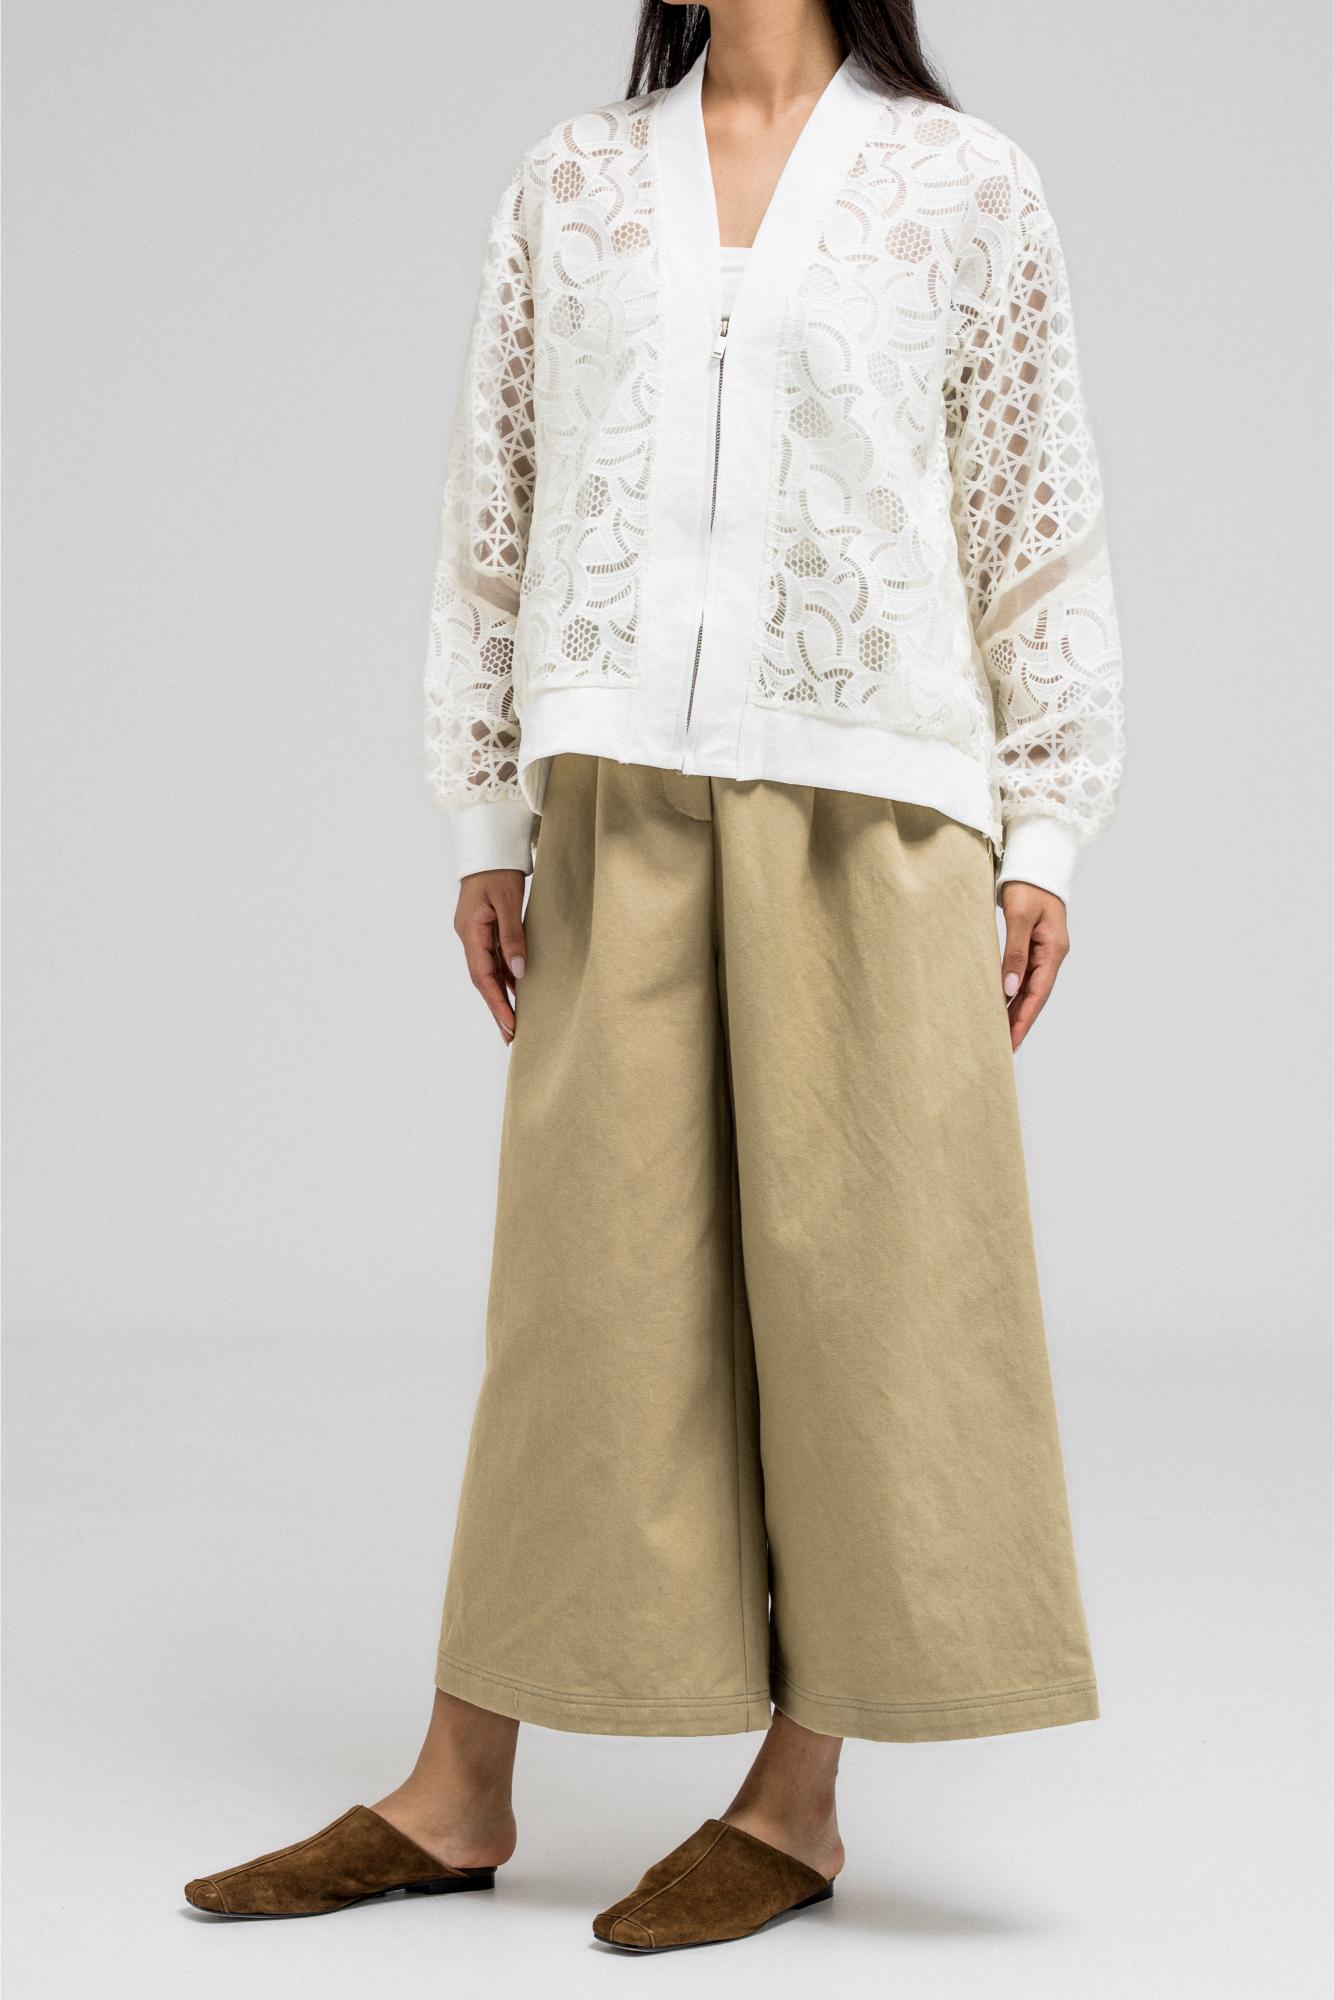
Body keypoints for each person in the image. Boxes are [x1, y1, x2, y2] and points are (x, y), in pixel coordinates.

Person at [185, 0, 1123, 1952]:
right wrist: (484, 813)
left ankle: (795, 1801)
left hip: (875, 802)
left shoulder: (963, 185)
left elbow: (1032, 506)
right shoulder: (575, 181)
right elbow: (497, 493)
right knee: (580, 1295)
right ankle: (458, 1785)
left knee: (866, 1296)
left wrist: (1042, 826)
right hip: (614, 791)